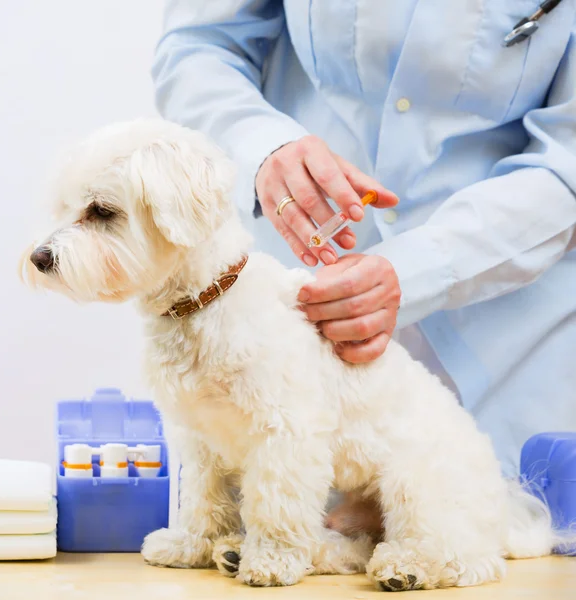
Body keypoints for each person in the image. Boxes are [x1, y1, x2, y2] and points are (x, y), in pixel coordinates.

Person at [152, 1, 576, 526]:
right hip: (293, 338)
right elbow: (198, 46)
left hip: (513, 351)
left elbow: (568, 164)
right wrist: (261, 146)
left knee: (499, 550)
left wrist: (421, 267)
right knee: (271, 545)